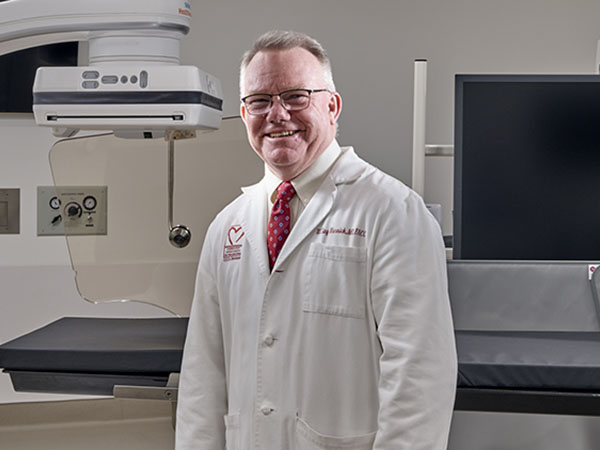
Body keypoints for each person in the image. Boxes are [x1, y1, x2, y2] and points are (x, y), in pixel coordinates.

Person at [176, 30, 457, 450]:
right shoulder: (228, 227)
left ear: (332, 105)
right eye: (260, 101)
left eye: (295, 96)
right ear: (244, 112)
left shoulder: (392, 212)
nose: (277, 114)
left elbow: (420, 372)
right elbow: (204, 374)